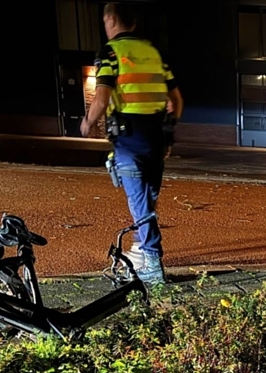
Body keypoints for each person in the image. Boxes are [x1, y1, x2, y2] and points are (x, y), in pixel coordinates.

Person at [80, 3, 184, 286]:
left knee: (139, 201)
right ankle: (141, 250)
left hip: (129, 138)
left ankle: (151, 262)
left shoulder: (110, 52)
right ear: (134, 23)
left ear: (110, 20)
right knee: (148, 199)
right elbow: (176, 101)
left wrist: (88, 123)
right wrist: (168, 134)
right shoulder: (153, 53)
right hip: (156, 138)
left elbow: (102, 97)